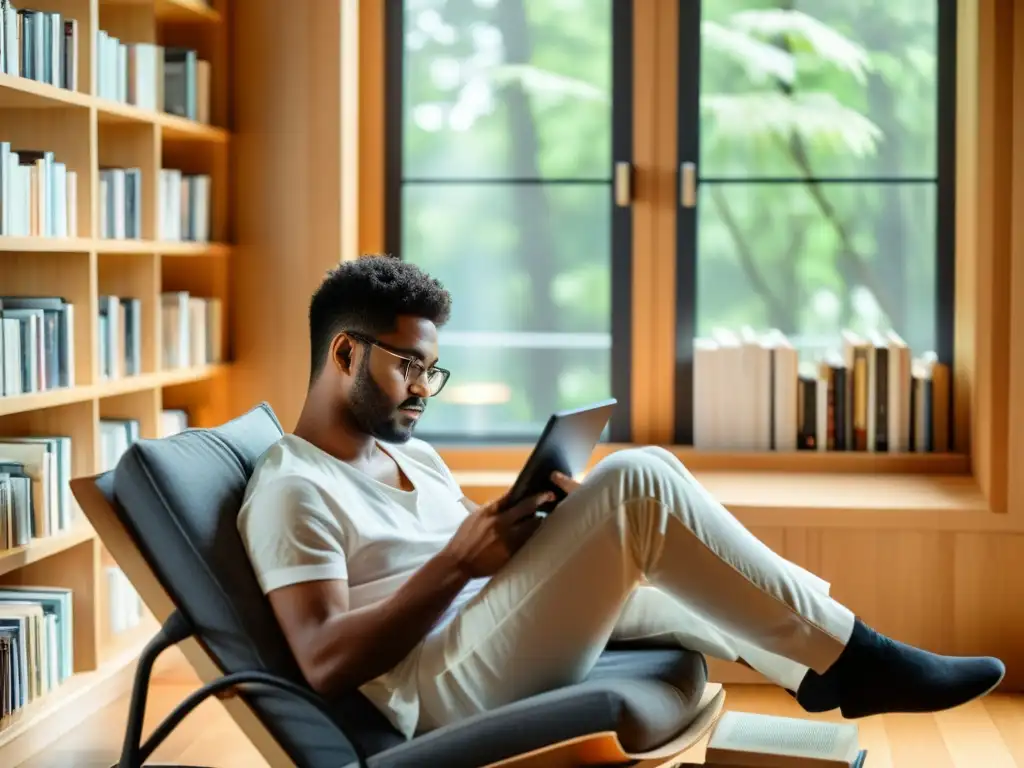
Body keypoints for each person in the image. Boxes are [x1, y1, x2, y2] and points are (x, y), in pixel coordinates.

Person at [237, 255, 1005, 741]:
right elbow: (324, 661)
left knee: (652, 534)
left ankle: (829, 665)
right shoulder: (292, 487)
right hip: (432, 692)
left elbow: (479, 572)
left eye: (432, 372)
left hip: (479, 632)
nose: (423, 392)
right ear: (345, 353)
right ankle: (859, 661)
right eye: (411, 366)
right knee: (640, 481)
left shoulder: (417, 457)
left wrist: (539, 534)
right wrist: (455, 563)